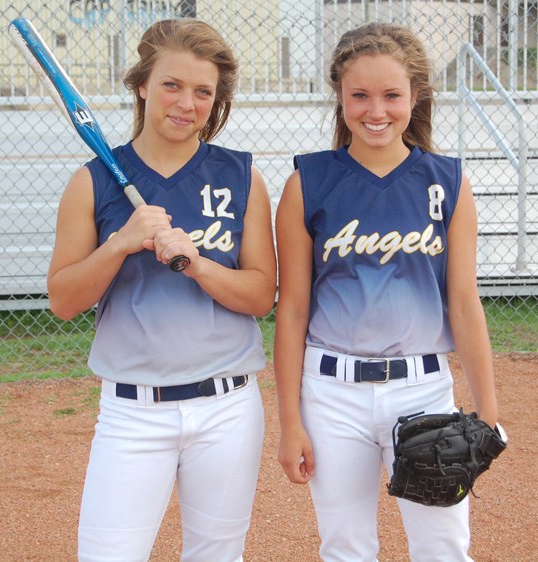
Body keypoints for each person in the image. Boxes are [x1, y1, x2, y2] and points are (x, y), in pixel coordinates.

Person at [47, 18, 276, 562]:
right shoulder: (94, 180)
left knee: (217, 555)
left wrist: (198, 265)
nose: (186, 103)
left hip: (227, 407)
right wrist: (119, 244)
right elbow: (63, 301)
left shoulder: (242, 177)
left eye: (203, 92)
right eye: (172, 84)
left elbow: (262, 296)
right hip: (132, 411)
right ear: (143, 84)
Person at [274, 22, 500, 562]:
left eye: (392, 95)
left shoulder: (446, 181)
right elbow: (293, 311)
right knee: (345, 546)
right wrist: (289, 423)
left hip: (422, 391)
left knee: (443, 545)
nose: (376, 110)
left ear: (415, 97)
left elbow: (464, 304)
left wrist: (489, 416)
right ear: (340, 97)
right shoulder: (309, 181)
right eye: (360, 95)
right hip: (331, 394)